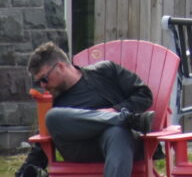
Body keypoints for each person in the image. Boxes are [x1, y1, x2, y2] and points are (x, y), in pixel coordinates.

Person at [16, 41, 155, 177]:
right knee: (52, 117)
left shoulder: (105, 71)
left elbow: (144, 95)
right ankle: (124, 119)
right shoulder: (54, 101)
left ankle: (120, 120)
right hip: (81, 148)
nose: (43, 85)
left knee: (118, 132)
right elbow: (42, 142)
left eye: (44, 79)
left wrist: (114, 109)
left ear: (60, 66)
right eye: (38, 82)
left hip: (117, 142)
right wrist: (23, 173)